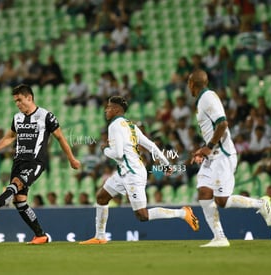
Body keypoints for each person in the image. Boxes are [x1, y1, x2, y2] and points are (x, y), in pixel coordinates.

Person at [79, 96, 199, 245]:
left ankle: (183, 213)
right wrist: (166, 164)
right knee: (102, 197)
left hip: (133, 173)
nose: (106, 110)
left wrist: (105, 150)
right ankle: (100, 236)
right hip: (125, 171)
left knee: (142, 215)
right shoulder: (131, 126)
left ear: (117, 110)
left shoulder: (114, 126)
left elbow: (117, 153)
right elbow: (151, 146)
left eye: (109, 107)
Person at [0, 84, 81, 244]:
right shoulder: (17, 118)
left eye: (20, 100)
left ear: (29, 98)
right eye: (15, 101)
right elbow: (10, 136)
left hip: (36, 161)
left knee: (17, 183)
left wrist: (71, 159)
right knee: (19, 200)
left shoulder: (46, 116)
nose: (17, 104)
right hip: (18, 161)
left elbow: (60, 138)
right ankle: (40, 235)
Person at [188, 69, 271, 247]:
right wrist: (204, 148)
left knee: (222, 201)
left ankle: (260, 203)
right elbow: (215, 129)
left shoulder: (207, 98)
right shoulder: (203, 99)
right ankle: (219, 237)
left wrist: (209, 147)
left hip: (222, 155)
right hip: (213, 155)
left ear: (192, 84)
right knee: (204, 192)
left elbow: (223, 123)